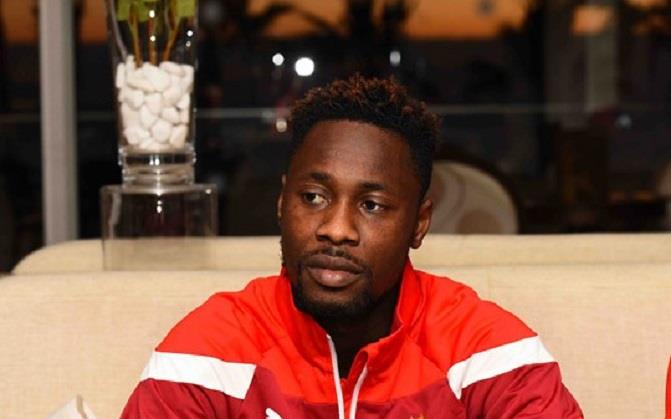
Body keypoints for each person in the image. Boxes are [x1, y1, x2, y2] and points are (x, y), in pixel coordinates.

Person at [121, 75, 582, 418]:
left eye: (372, 205)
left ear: (419, 224)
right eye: (313, 198)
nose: (336, 229)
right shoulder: (209, 352)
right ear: (282, 203)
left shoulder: (485, 352)